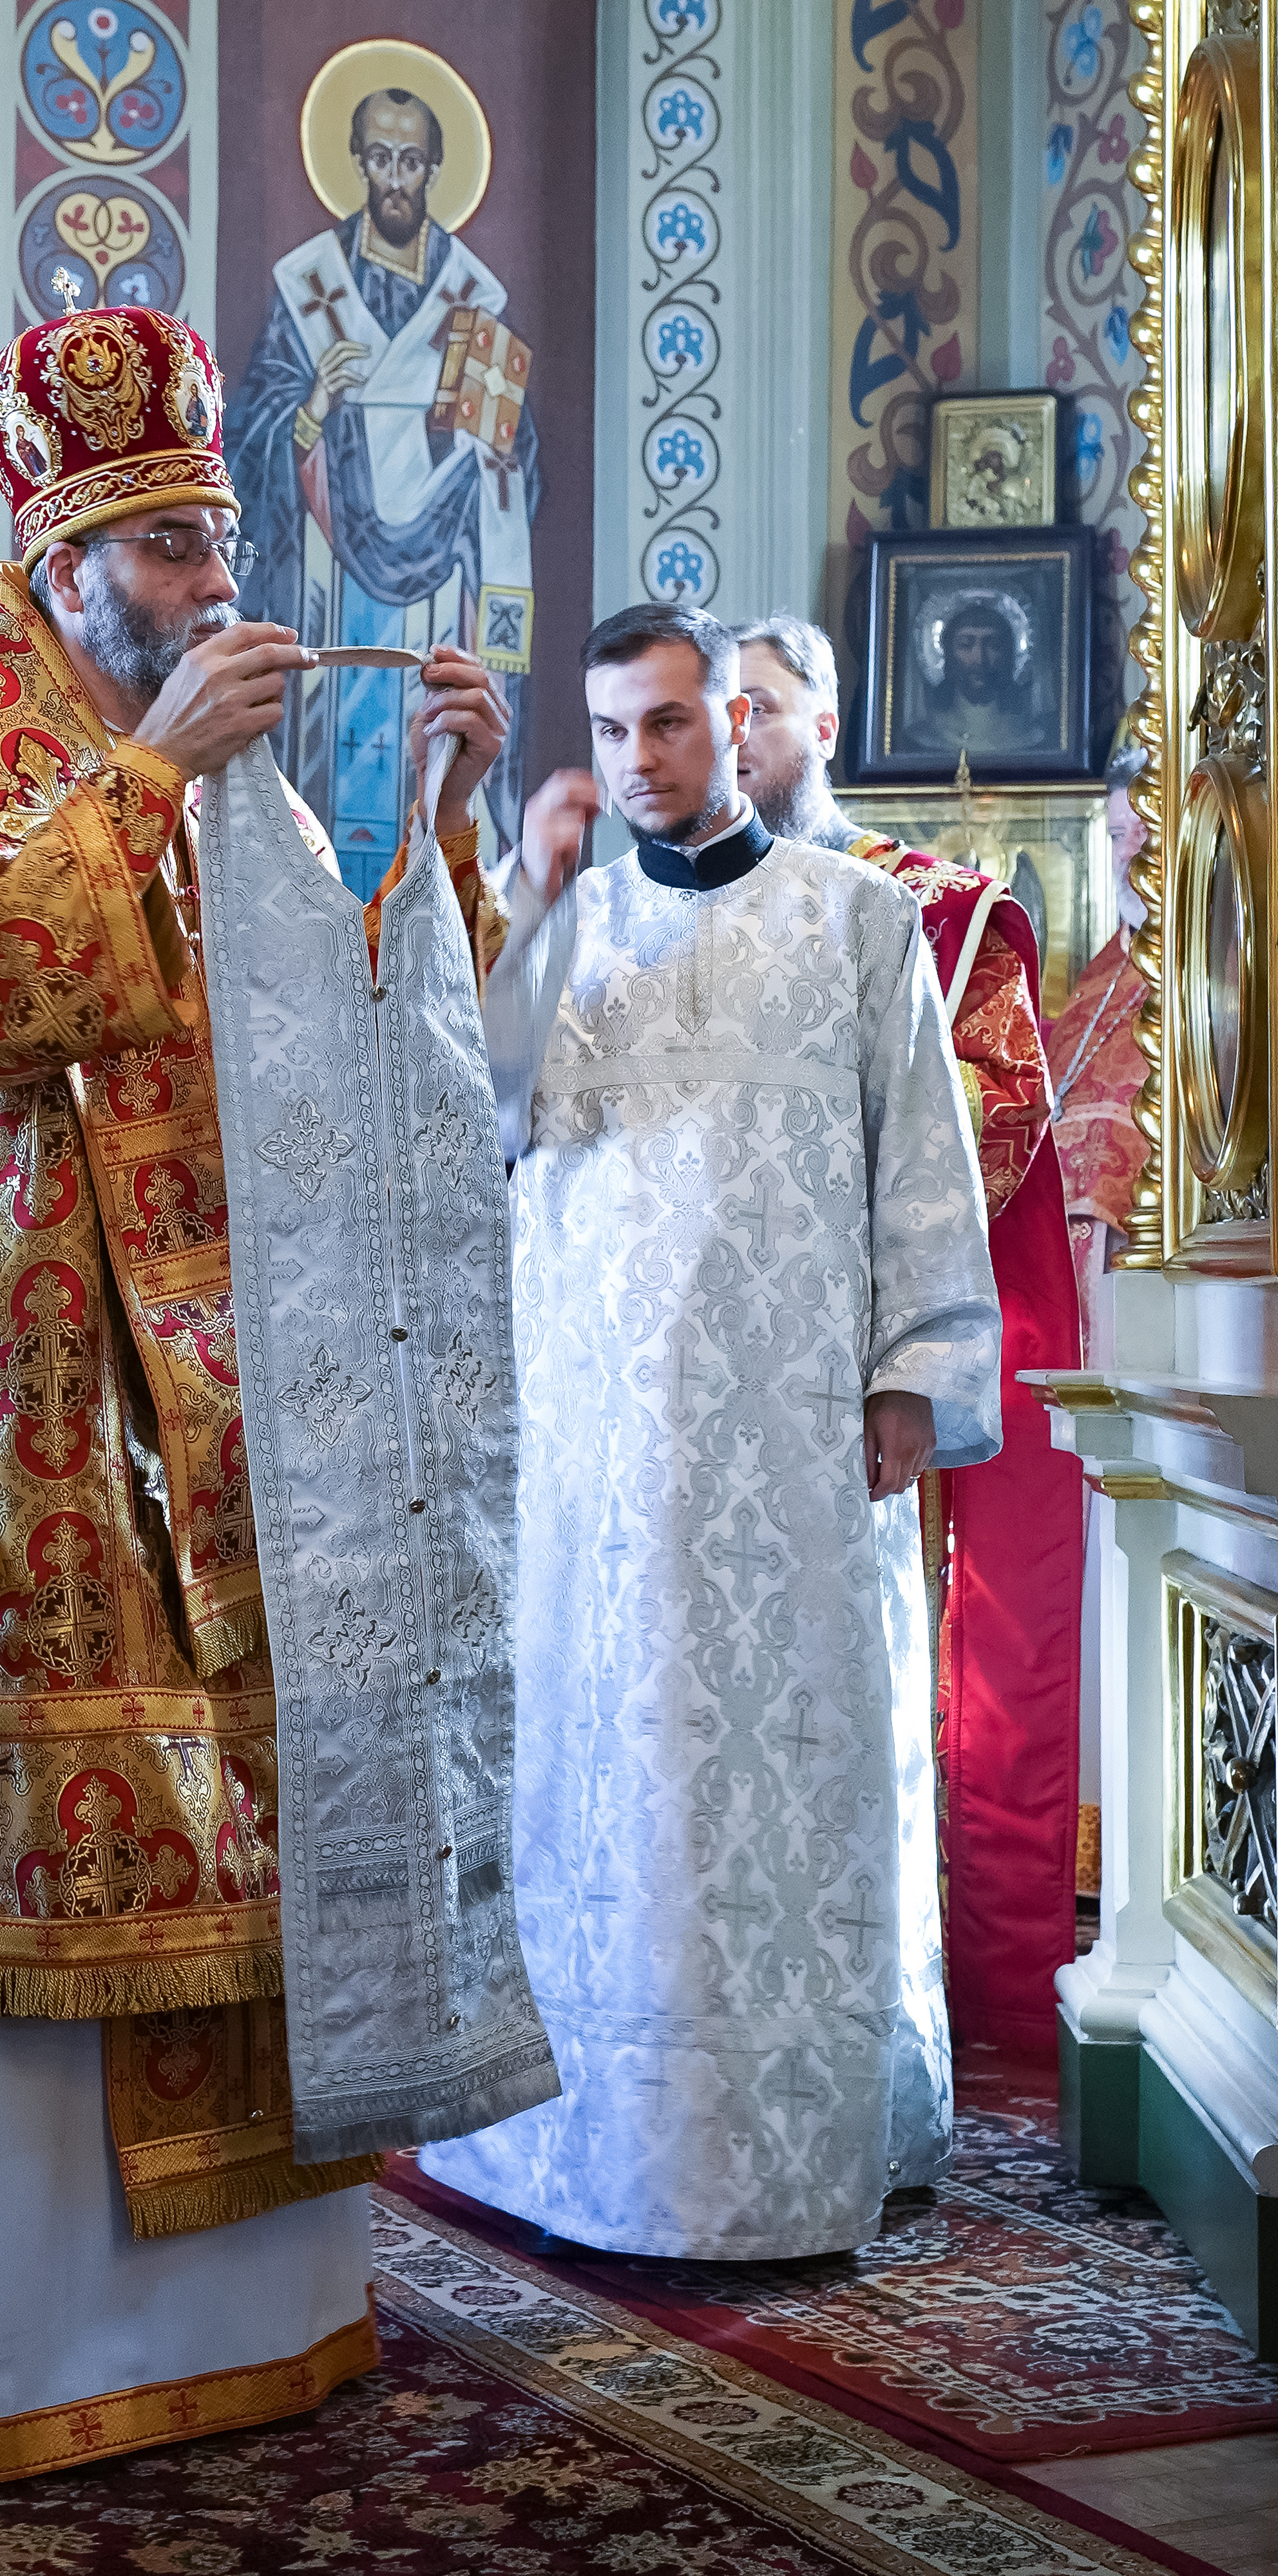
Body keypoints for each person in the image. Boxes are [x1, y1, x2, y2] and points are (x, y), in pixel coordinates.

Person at [0, 301, 543, 2479]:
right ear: (64, 560)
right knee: (53, 1848)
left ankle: (256, 2319)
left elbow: (363, 1053)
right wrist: (143, 784)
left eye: (220, 540)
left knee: (243, 1833)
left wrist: (450, 828)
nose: (222, 584)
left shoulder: (223, 774)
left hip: (227, 1416)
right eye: (173, 549)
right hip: (19, 1421)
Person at [418, 603, 1000, 2260]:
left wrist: (912, 1369)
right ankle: (582, 2152)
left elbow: (921, 1156)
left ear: (736, 721)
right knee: (608, 1778)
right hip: (598, 1449)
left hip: (791, 1435)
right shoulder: (570, 921)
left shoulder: (855, 918)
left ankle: (792, 2150)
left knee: (785, 1780)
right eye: (610, 731)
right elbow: (478, 1111)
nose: (639, 760)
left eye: (669, 723)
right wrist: (529, 896)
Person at [735, 613, 1082, 2057]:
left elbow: (995, 1110)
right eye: (713, 707)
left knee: (938, 1664)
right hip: (742, 1350)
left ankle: (957, 1996)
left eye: (761, 706)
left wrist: (821, 1226)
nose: (735, 732)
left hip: (901, 1337)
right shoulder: (675, 908)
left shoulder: (937, 911)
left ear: (824, 726)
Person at [225, 83, 540, 876]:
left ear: (434, 168)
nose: (395, 178)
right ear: (358, 164)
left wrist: (485, 444)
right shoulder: (311, 287)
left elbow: (516, 462)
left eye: (410, 160)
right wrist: (312, 408)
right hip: (325, 582)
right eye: (380, 158)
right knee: (326, 777)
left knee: (422, 761)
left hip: (439, 590)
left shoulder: (473, 299)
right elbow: (250, 441)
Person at [1047, 741, 1151, 1365]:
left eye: (1145, 829)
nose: (1130, 851)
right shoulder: (1100, 974)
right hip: (1064, 1248)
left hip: (1145, 1255)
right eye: (1117, 834)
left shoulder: (1216, 965)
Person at [906, 591, 1054, 760]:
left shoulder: (1031, 736)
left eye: (994, 645)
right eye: (965, 645)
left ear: (1009, 654)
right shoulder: (926, 736)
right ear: (947, 653)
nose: (980, 659)